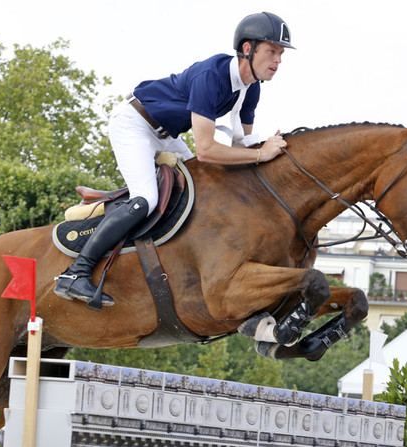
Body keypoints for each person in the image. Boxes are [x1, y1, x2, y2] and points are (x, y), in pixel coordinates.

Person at [54, 12, 294, 307]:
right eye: (272, 51)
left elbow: (239, 142)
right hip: (135, 123)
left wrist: (269, 150)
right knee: (146, 200)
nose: (278, 60)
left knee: (205, 188)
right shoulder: (212, 75)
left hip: (166, 134)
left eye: (281, 53)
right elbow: (206, 150)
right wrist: (260, 154)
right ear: (248, 49)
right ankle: (76, 273)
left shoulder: (251, 88)